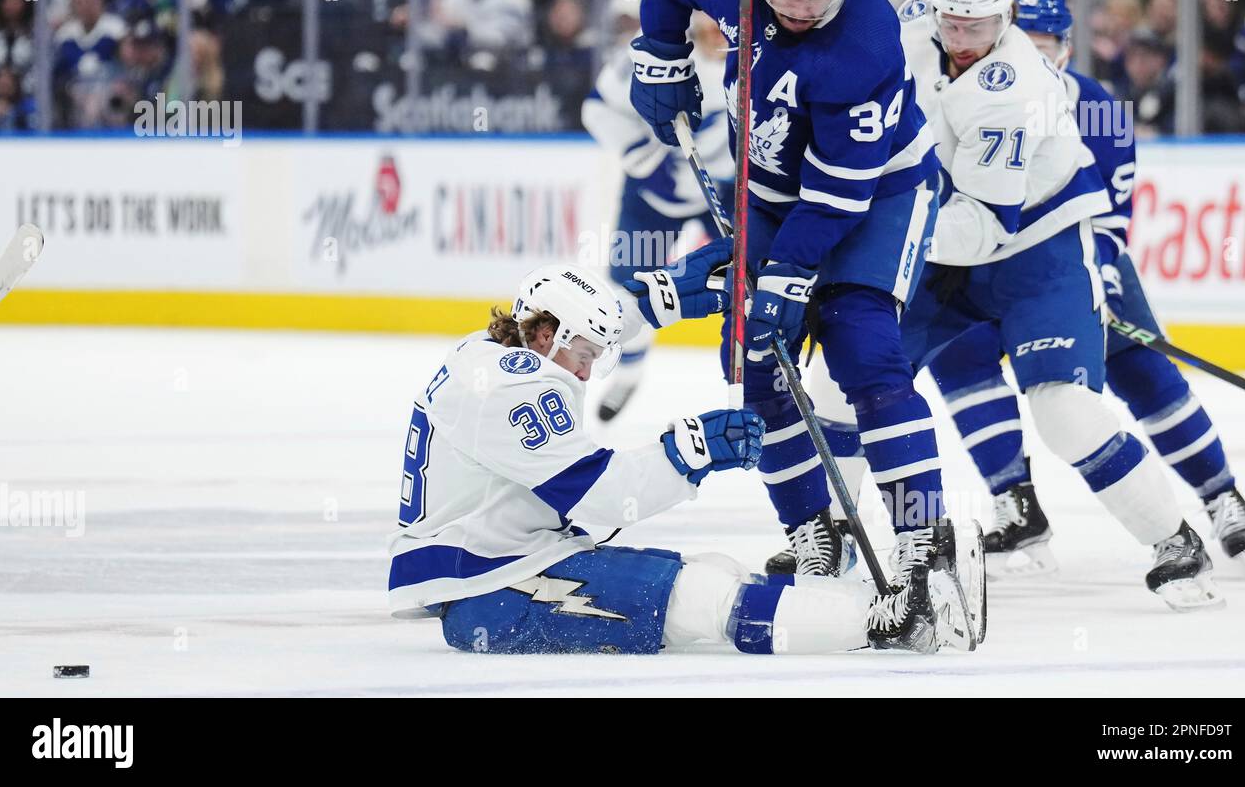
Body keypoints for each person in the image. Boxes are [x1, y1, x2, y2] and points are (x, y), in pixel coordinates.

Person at [627, 0, 985, 639]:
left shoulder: (865, 44)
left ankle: (921, 535)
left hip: (876, 196)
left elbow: (836, 200)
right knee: (759, 367)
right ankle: (813, 536)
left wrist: (786, 281)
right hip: (771, 192)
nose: (802, 2)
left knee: (865, 351)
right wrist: (660, 53)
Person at [385, 249, 978, 655]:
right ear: (546, 335)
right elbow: (600, 497)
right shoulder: (513, 386)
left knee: (716, 570)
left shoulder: (487, 356)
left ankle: (858, 604)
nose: (590, 373)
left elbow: (597, 331)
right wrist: (692, 449)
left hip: (499, 563)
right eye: (587, 352)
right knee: (705, 600)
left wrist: (661, 299)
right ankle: (895, 623)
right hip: (487, 588)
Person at [895, 0, 1222, 610]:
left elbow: (986, 226)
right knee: (848, 379)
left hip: (1031, 250)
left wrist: (871, 241)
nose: (959, 38)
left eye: (977, 25)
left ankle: (1176, 536)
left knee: (1064, 409)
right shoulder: (911, 24)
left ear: (1006, 17)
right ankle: (834, 535)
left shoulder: (1019, 85)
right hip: (945, 236)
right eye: (950, 21)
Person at [582, 5, 734, 421]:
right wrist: (642, 159)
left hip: (722, 192)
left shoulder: (754, 62)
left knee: (754, 278)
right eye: (709, 27)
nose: (718, 37)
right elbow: (595, 108)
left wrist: (731, 170)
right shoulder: (647, 59)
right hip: (652, 195)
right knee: (626, 287)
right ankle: (627, 374)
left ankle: (756, 378)